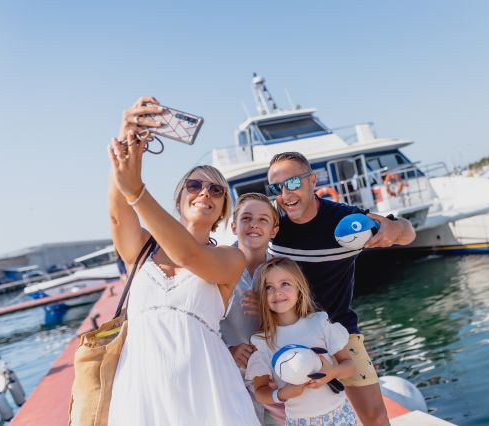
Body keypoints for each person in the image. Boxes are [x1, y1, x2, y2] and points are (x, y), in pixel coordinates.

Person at [106, 96, 258, 425]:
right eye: (195, 185)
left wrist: (138, 193)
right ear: (180, 196)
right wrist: (128, 142)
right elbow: (119, 218)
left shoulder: (231, 258)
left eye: (216, 191)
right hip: (143, 395)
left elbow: (189, 255)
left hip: (210, 395)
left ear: (222, 211)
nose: (205, 192)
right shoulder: (144, 248)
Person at [267, 152, 416, 426]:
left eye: (293, 183)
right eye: (276, 188)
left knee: (375, 417)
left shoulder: (344, 221)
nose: (285, 194)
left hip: (340, 331)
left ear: (312, 180)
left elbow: (408, 233)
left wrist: (393, 228)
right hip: (290, 337)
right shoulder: (273, 225)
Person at [246, 257, 357, 426]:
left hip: (340, 415)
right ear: (262, 295)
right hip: (300, 422)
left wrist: (332, 373)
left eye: (285, 283)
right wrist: (281, 394)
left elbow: (350, 366)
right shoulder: (262, 341)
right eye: (269, 287)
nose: (278, 292)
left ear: (299, 287)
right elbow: (260, 391)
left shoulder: (319, 322)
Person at [220, 192, 285, 425]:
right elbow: (199, 322)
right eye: (246, 218)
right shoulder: (216, 268)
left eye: (263, 220)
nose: (254, 225)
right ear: (234, 227)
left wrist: (267, 309)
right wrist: (230, 349)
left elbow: (301, 319)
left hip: (276, 377)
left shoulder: (283, 270)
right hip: (229, 378)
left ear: (274, 230)